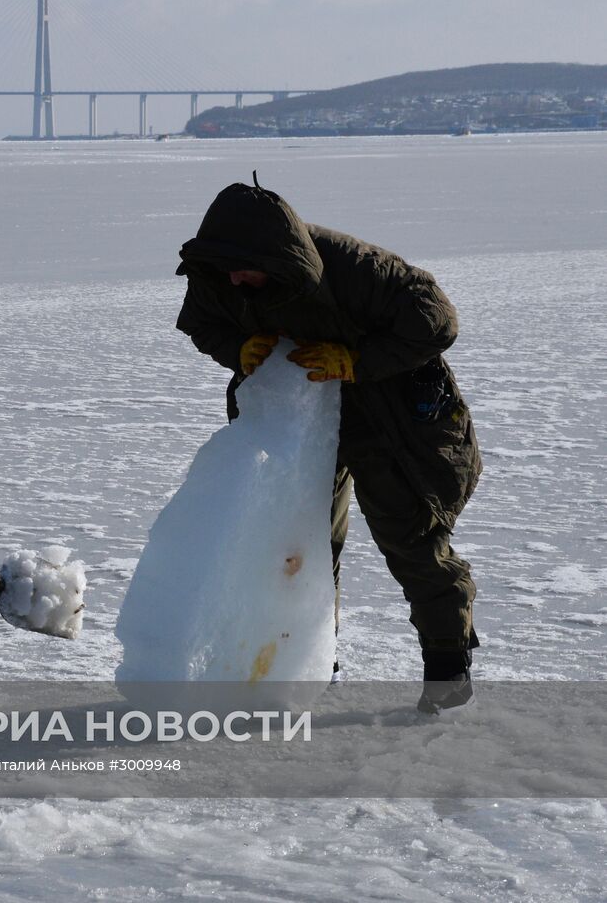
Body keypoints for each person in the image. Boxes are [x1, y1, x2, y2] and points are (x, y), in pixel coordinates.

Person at [174, 177, 481, 714]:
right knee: (302, 546)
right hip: (301, 422)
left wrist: (356, 364)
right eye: (226, 269)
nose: (234, 279)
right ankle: (311, 665)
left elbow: (438, 323)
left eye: (244, 267)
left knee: (411, 542)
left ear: (276, 253)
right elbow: (201, 325)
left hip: (391, 419)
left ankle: (448, 674)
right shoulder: (220, 272)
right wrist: (239, 347)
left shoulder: (357, 269)